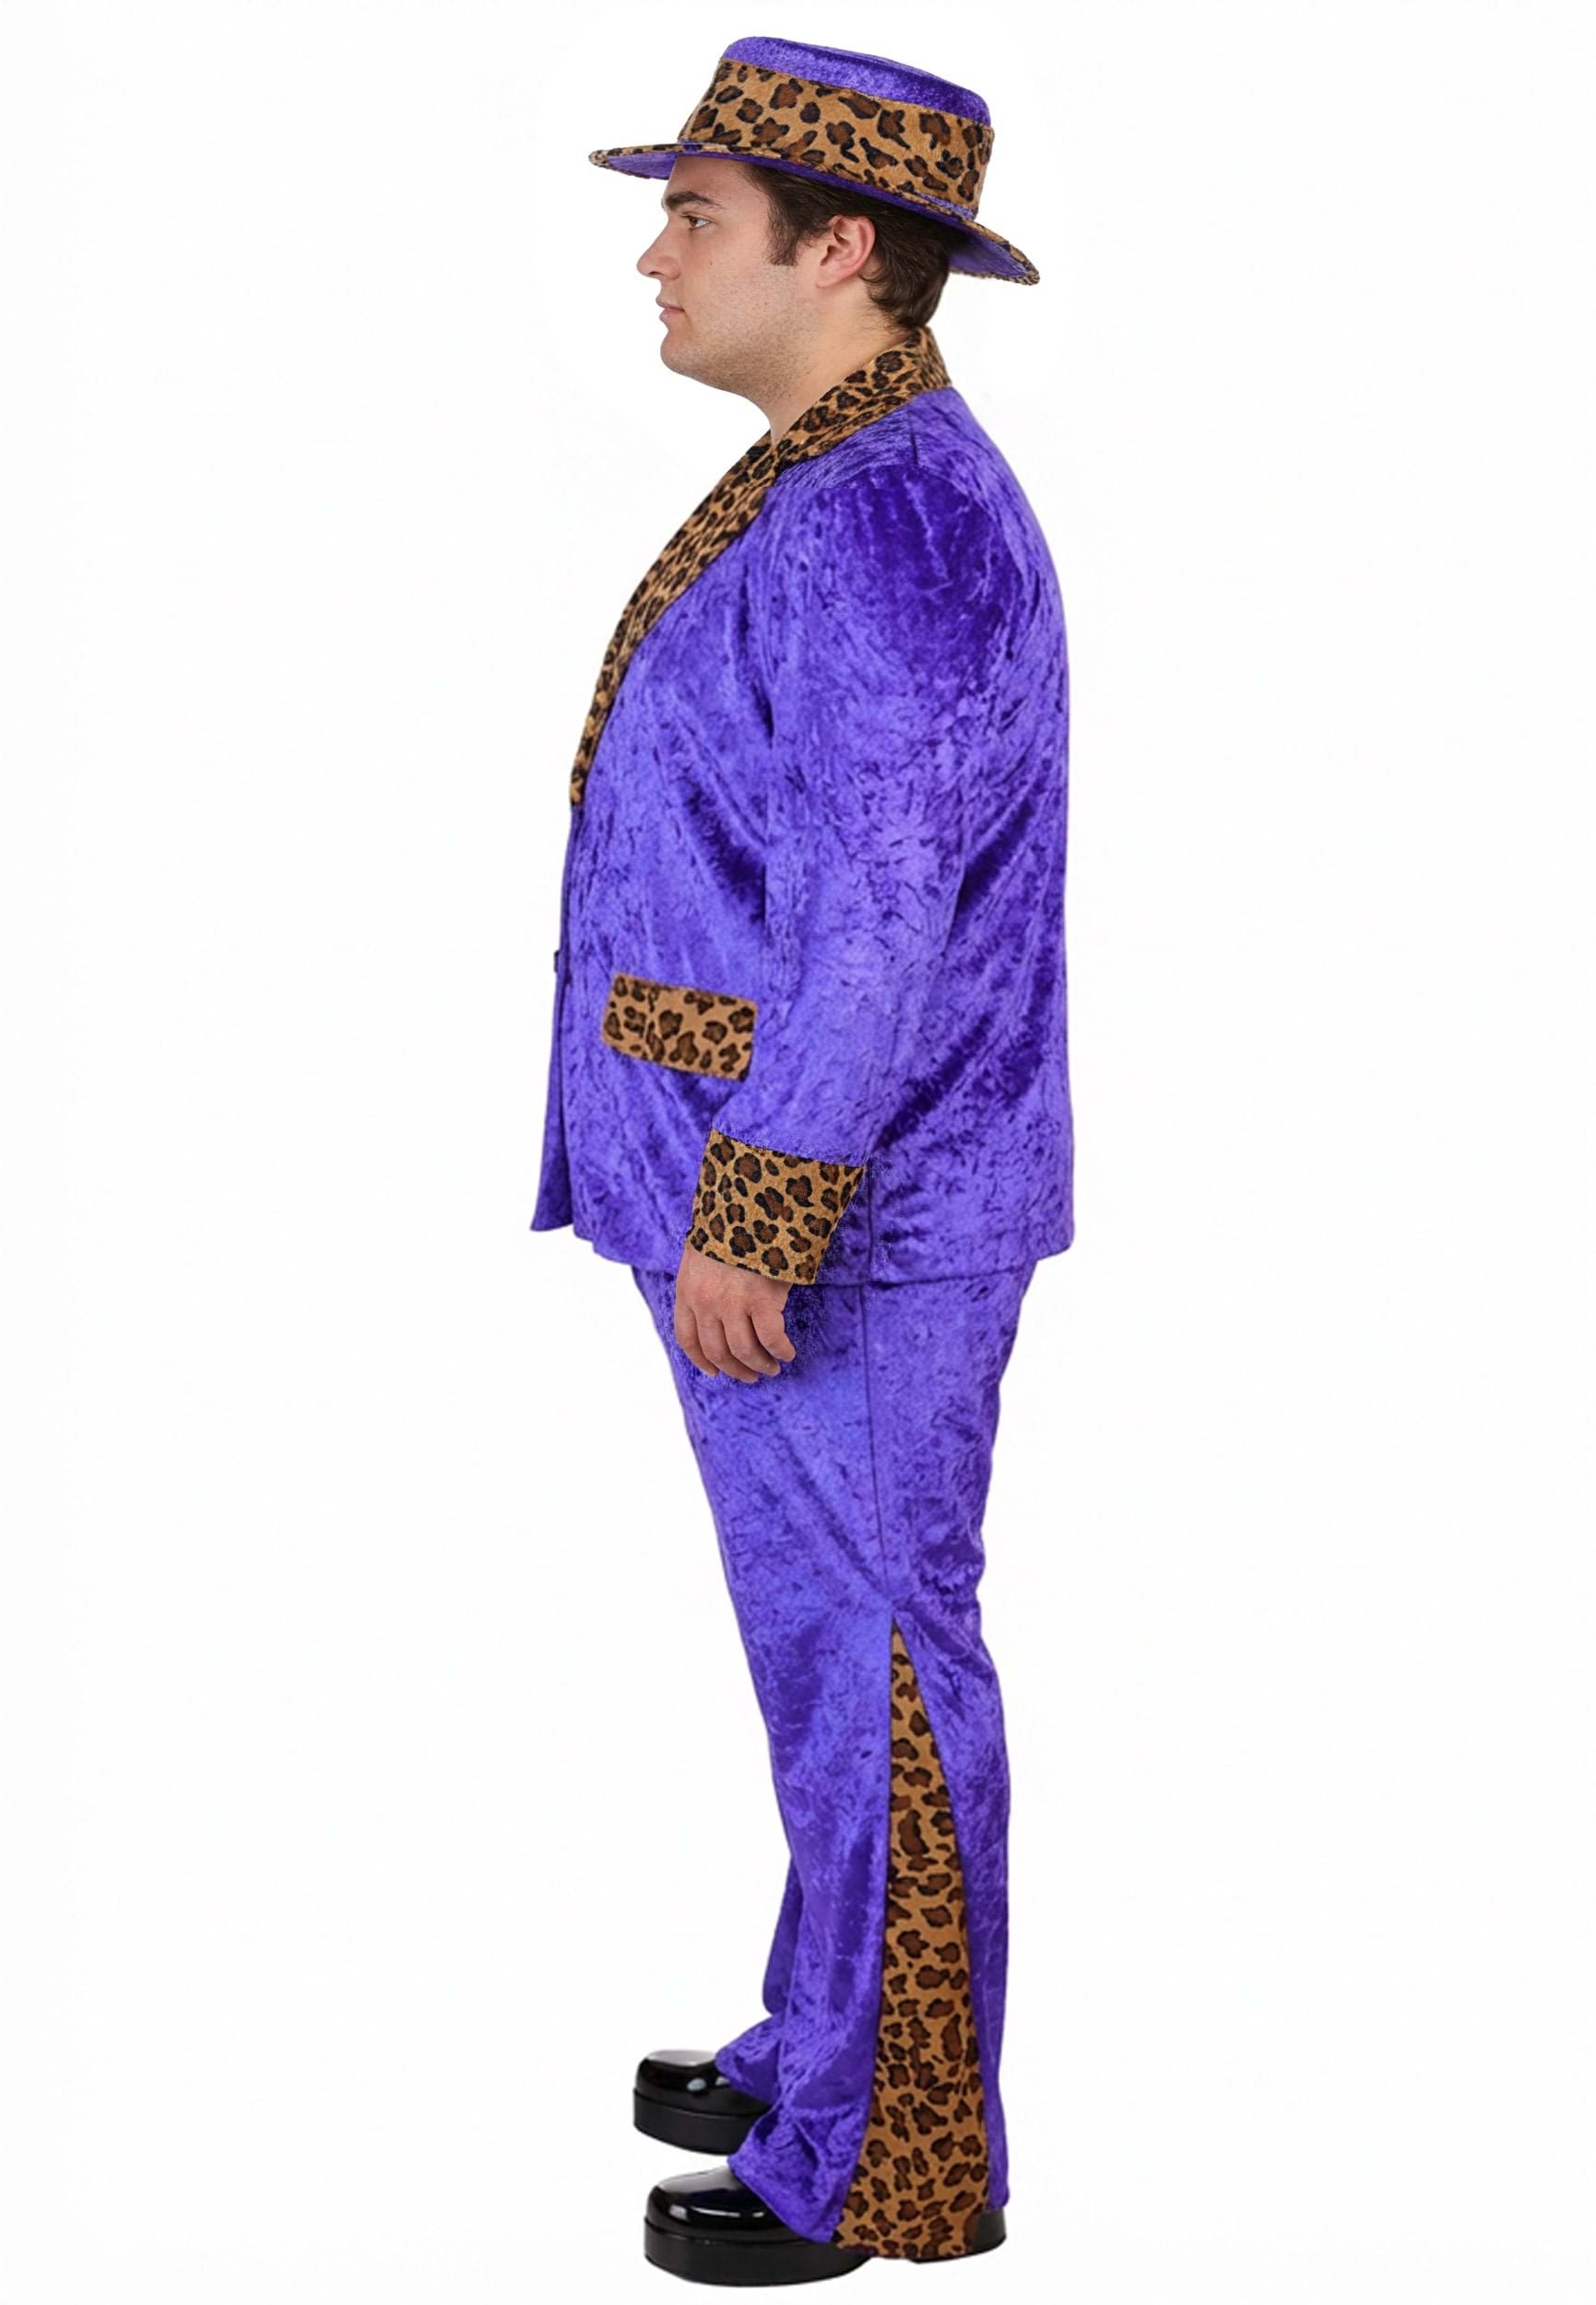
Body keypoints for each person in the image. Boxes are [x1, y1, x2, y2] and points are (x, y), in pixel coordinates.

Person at [529, 35, 1073, 2285]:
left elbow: (876, 906)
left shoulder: (888, 520)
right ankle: (828, 2032)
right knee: (827, 1667)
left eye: (694, 216)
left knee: (880, 1667)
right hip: (777, 1192)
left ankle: (894, 2156)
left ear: (837, 248)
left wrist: (759, 1209)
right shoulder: (825, 475)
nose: (653, 257)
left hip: (844, 1217)